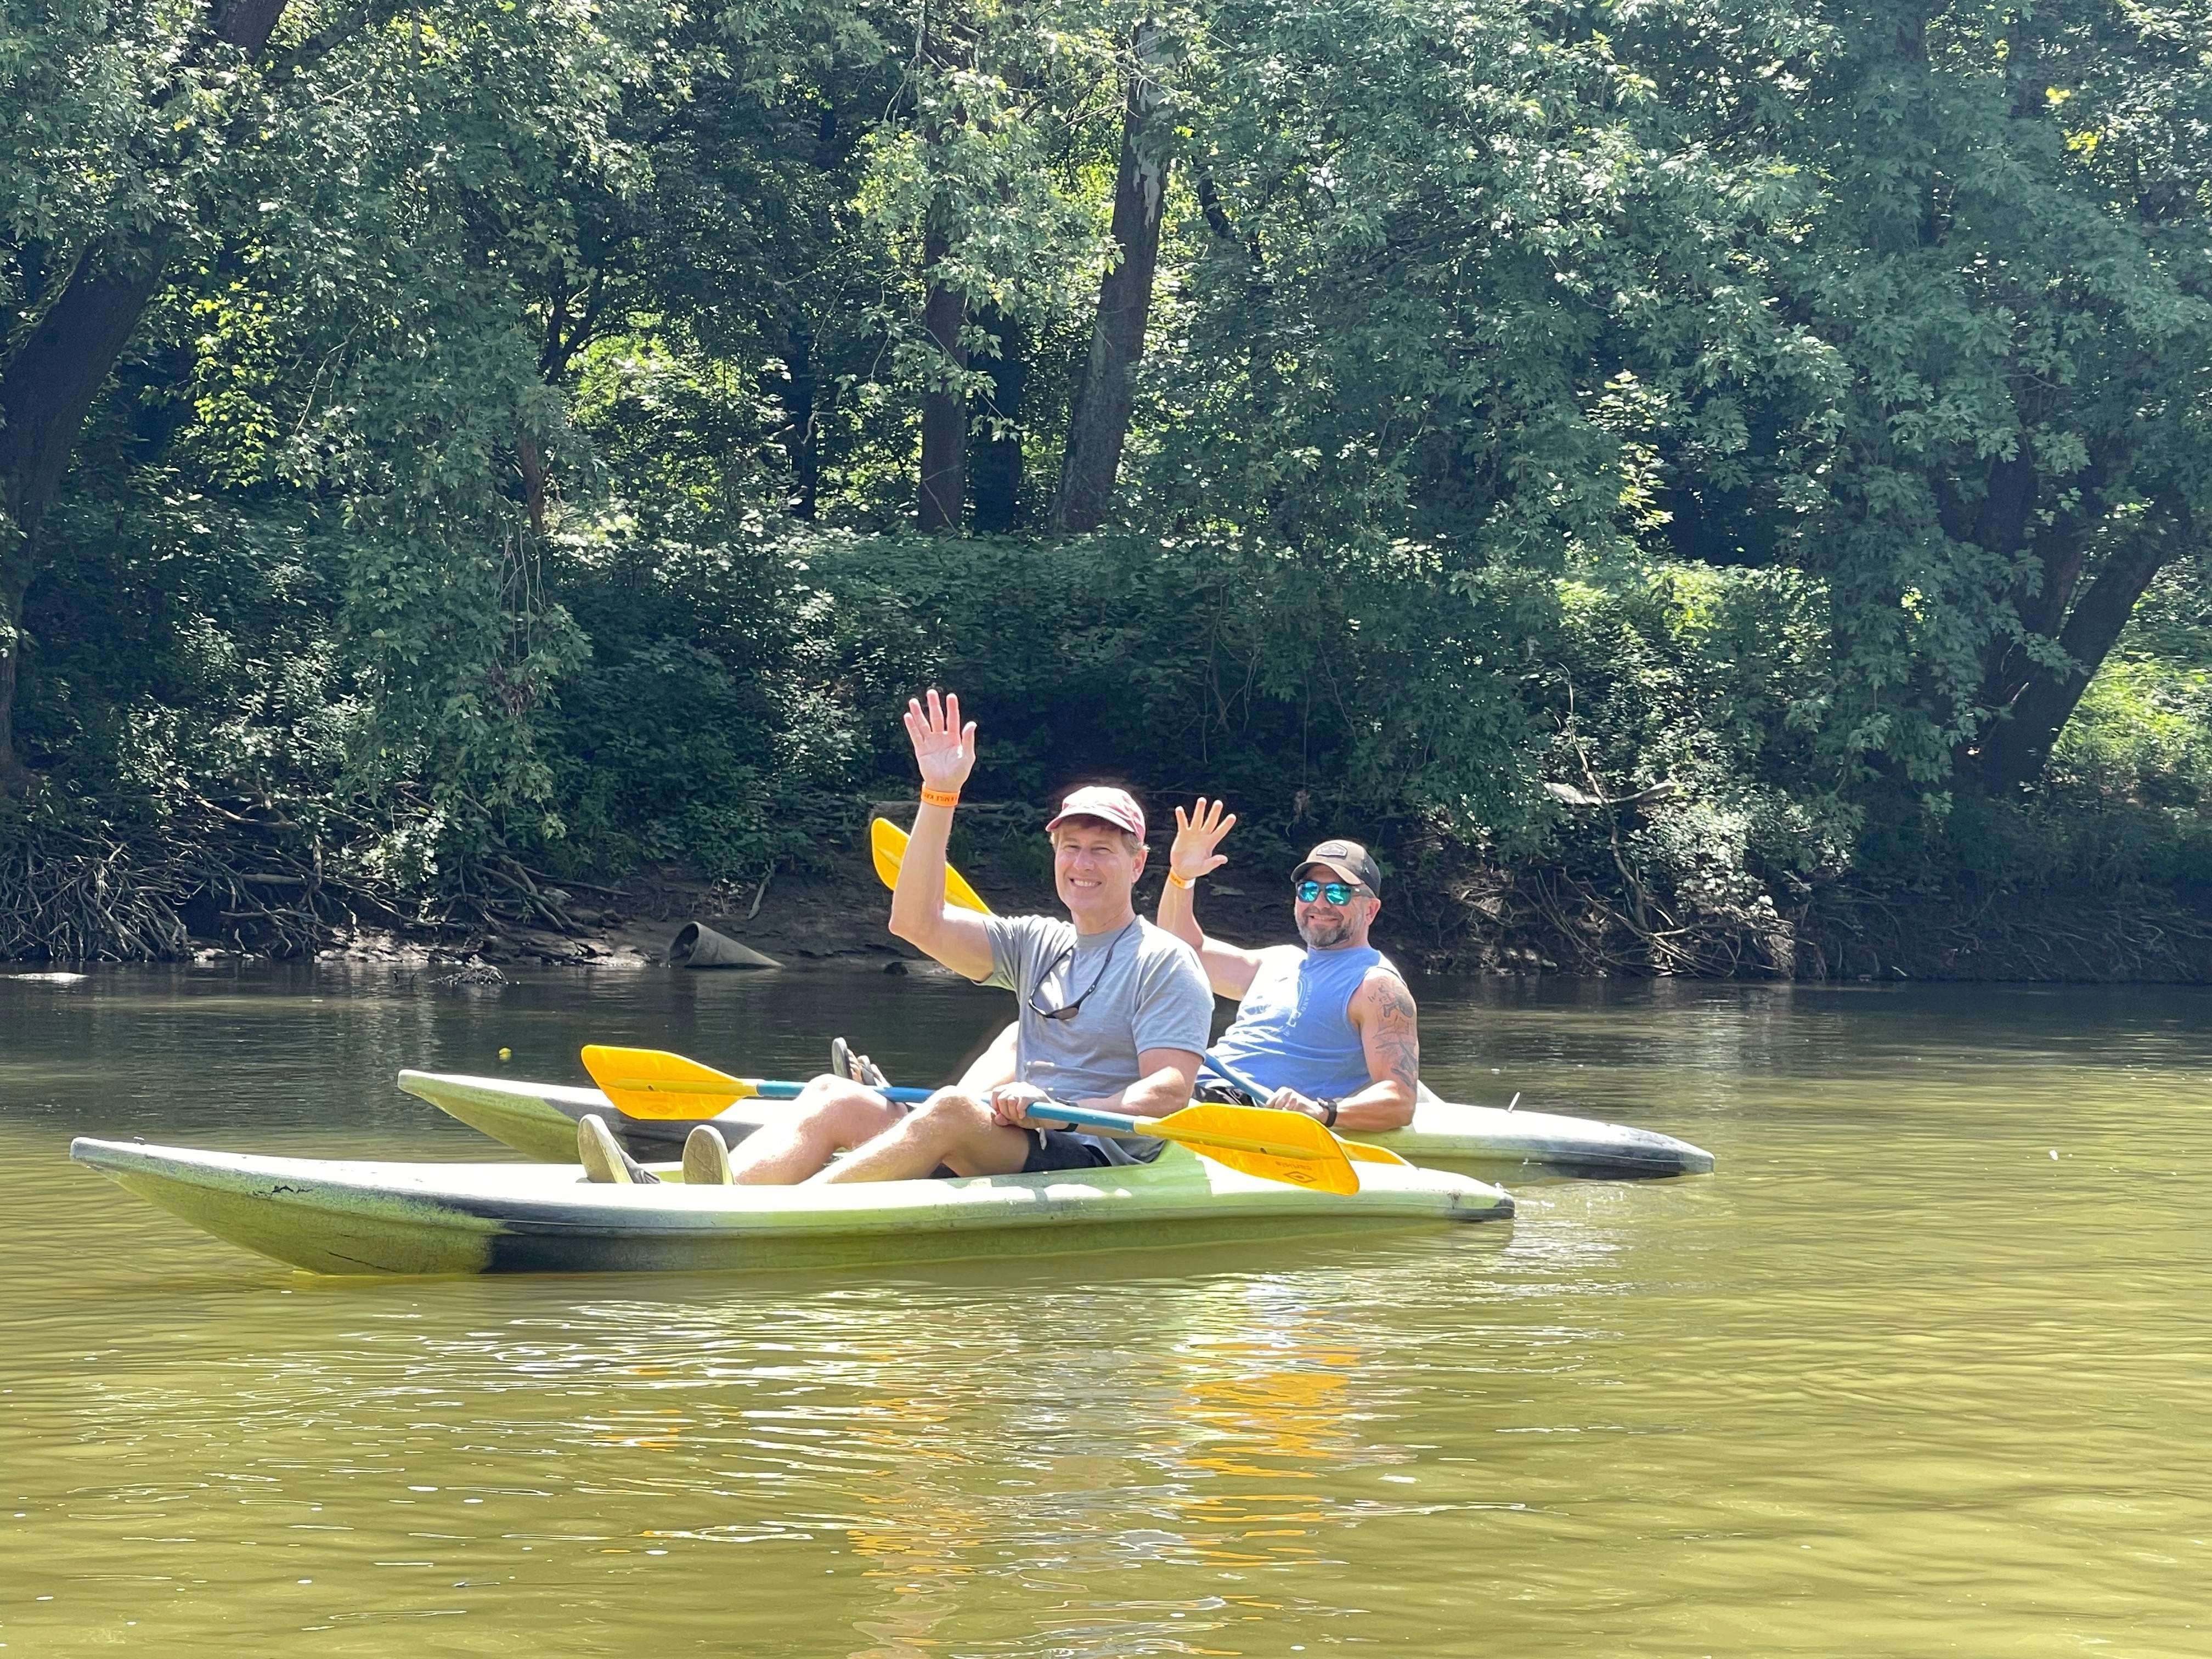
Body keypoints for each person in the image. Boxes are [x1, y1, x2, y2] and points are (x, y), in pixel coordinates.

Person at [582, 689, 1216, 1186]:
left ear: (1137, 865)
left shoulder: (1164, 961)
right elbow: (916, 923)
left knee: (950, 1109)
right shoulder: (1037, 943)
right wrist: (940, 794)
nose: (1082, 863)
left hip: (1093, 1151)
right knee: (833, 1094)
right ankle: (708, 1200)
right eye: (1071, 847)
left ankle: (773, 1219)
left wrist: (1057, 1105)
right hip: (1013, 1136)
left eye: (1102, 850)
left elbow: (1166, 1094)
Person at [1154, 798, 1420, 1133]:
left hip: (1241, 1109)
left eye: (1338, 893)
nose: (1319, 903)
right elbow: (1185, 949)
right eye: (1309, 890)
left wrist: (1322, 1111)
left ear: (1370, 910)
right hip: (1185, 1085)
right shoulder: (1277, 960)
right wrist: (1181, 877)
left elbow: (1400, 1099)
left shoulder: (1377, 986)